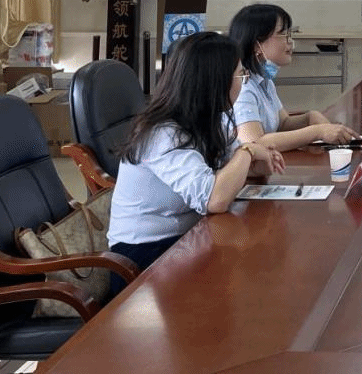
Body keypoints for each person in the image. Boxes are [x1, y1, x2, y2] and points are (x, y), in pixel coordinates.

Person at [108, 31, 285, 285]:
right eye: (240, 75)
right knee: (245, 270)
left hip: (187, 238)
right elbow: (215, 199)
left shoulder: (206, 119)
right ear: (215, 81)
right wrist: (247, 152)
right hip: (144, 256)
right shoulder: (163, 134)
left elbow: (235, 168)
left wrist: (255, 161)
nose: (243, 82)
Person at [229, 3, 359, 151]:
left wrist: (310, 117)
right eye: (283, 34)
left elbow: (282, 124)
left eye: (290, 34)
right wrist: (317, 132)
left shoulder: (264, 81)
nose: (290, 41)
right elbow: (254, 144)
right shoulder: (243, 87)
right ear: (257, 45)